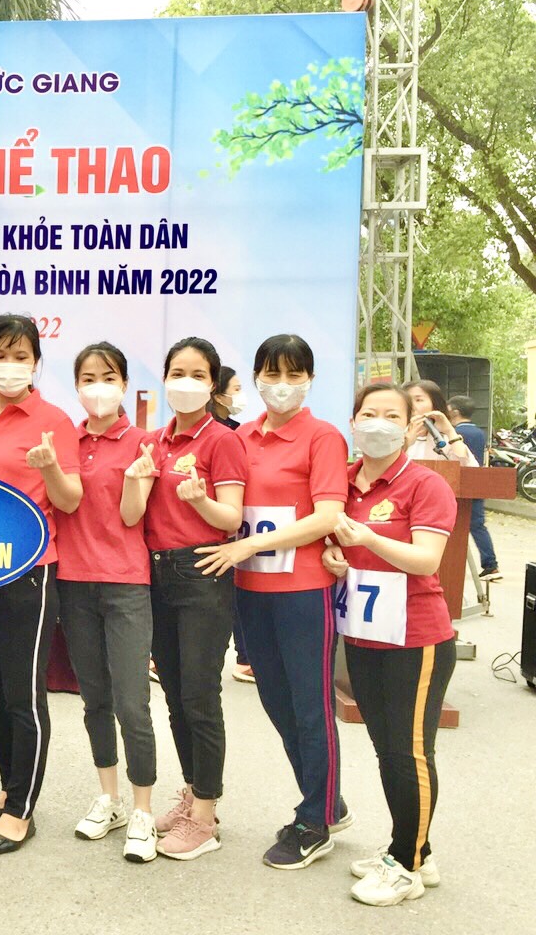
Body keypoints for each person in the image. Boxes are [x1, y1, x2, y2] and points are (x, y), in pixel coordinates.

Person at [196, 334, 350, 870]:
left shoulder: (322, 437)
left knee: (311, 706)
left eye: (293, 374)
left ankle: (315, 821)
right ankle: (326, 796)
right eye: (271, 374)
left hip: (303, 590)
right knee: (278, 703)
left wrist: (252, 544)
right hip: (250, 590)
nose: (281, 385)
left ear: (309, 379)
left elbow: (328, 515)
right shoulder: (241, 437)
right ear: (256, 377)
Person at [322, 383, 456, 907]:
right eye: (368, 413)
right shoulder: (344, 482)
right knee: (388, 749)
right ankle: (417, 847)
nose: (378, 423)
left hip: (416, 639)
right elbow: (334, 544)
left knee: (409, 752)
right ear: (353, 421)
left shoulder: (425, 484)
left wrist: (369, 538)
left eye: (391, 415)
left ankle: (406, 864)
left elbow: (426, 559)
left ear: (409, 426)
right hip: (364, 634)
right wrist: (336, 558)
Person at [0, 313, 83, 856]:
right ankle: (11, 784)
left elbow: (71, 500)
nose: (9, 366)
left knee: (22, 694)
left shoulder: (54, 421)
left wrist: (50, 467)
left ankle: (21, 809)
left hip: (28, 571)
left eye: (20, 357)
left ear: (36, 363)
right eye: (0, 356)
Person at [127, 337, 246, 861]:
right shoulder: (154, 442)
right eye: (178, 372)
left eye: (198, 374)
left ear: (213, 384)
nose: (186, 382)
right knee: (174, 696)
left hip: (202, 572)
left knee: (199, 696)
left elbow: (232, 518)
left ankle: (205, 817)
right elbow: (135, 511)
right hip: (156, 575)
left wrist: (200, 501)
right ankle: (194, 794)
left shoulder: (222, 440)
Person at [54, 342, 158, 862]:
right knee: (94, 698)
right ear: (76, 386)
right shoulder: (64, 441)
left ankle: (143, 810)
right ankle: (109, 798)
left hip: (125, 584)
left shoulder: (142, 442)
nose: (98, 388)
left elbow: (132, 516)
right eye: (88, 378)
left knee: (131, 703)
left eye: (109, 377)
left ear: (124, 384)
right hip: (72, 582)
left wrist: (136, 482)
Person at [209, 366, 254, 683]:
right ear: (217, 393)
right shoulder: (214, 433)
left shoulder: (238, 432)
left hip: (242, 527)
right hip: (215, 533)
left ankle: (245, 657)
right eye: (235, 389)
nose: (240, 395)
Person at [447, 394, 500, 580]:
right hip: (476, 484)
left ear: (454, 412)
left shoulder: (455, 434)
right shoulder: (479, 432)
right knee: (477, 525)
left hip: (459, 484)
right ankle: (490, 564)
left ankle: (451, 565)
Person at [404, 380, 475, 465]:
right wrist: (406, 443)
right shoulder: (396, 435)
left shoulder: (443, 440)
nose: (412, 406)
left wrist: (450, 431)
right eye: (407, 400)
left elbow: (466, 466)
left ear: (434, 405)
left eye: (418, 400)